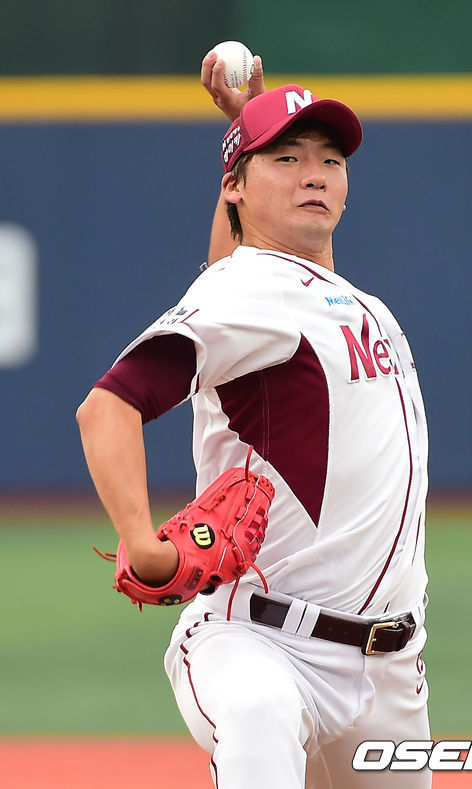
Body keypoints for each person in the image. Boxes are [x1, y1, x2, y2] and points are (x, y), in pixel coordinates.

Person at [76, 51, 431, 789]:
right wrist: (140, 542)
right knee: (260, 716)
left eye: (330, 160)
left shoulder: (341, 299)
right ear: (234, 185)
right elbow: (107, 406)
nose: (315, 175)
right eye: (288, 159)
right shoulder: (247, 291)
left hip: (389, 668)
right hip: (260, 645)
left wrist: (255, 126)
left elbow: (242, 277)